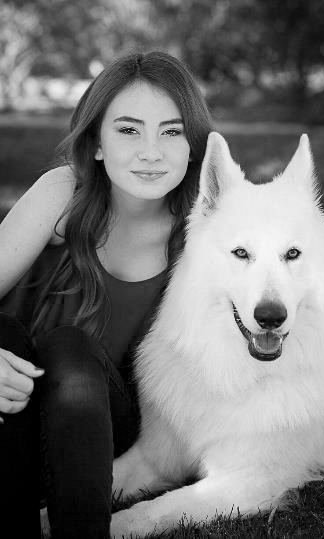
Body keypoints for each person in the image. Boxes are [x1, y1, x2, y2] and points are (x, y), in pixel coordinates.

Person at [0, 50, 213, 538]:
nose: (151, 151)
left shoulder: (204, 230)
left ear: (193, 146)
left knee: (69, 349)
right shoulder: (65, 195)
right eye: (129, 129)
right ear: (96, 142)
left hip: (101, 433)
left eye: (172, 131)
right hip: (13, 409)